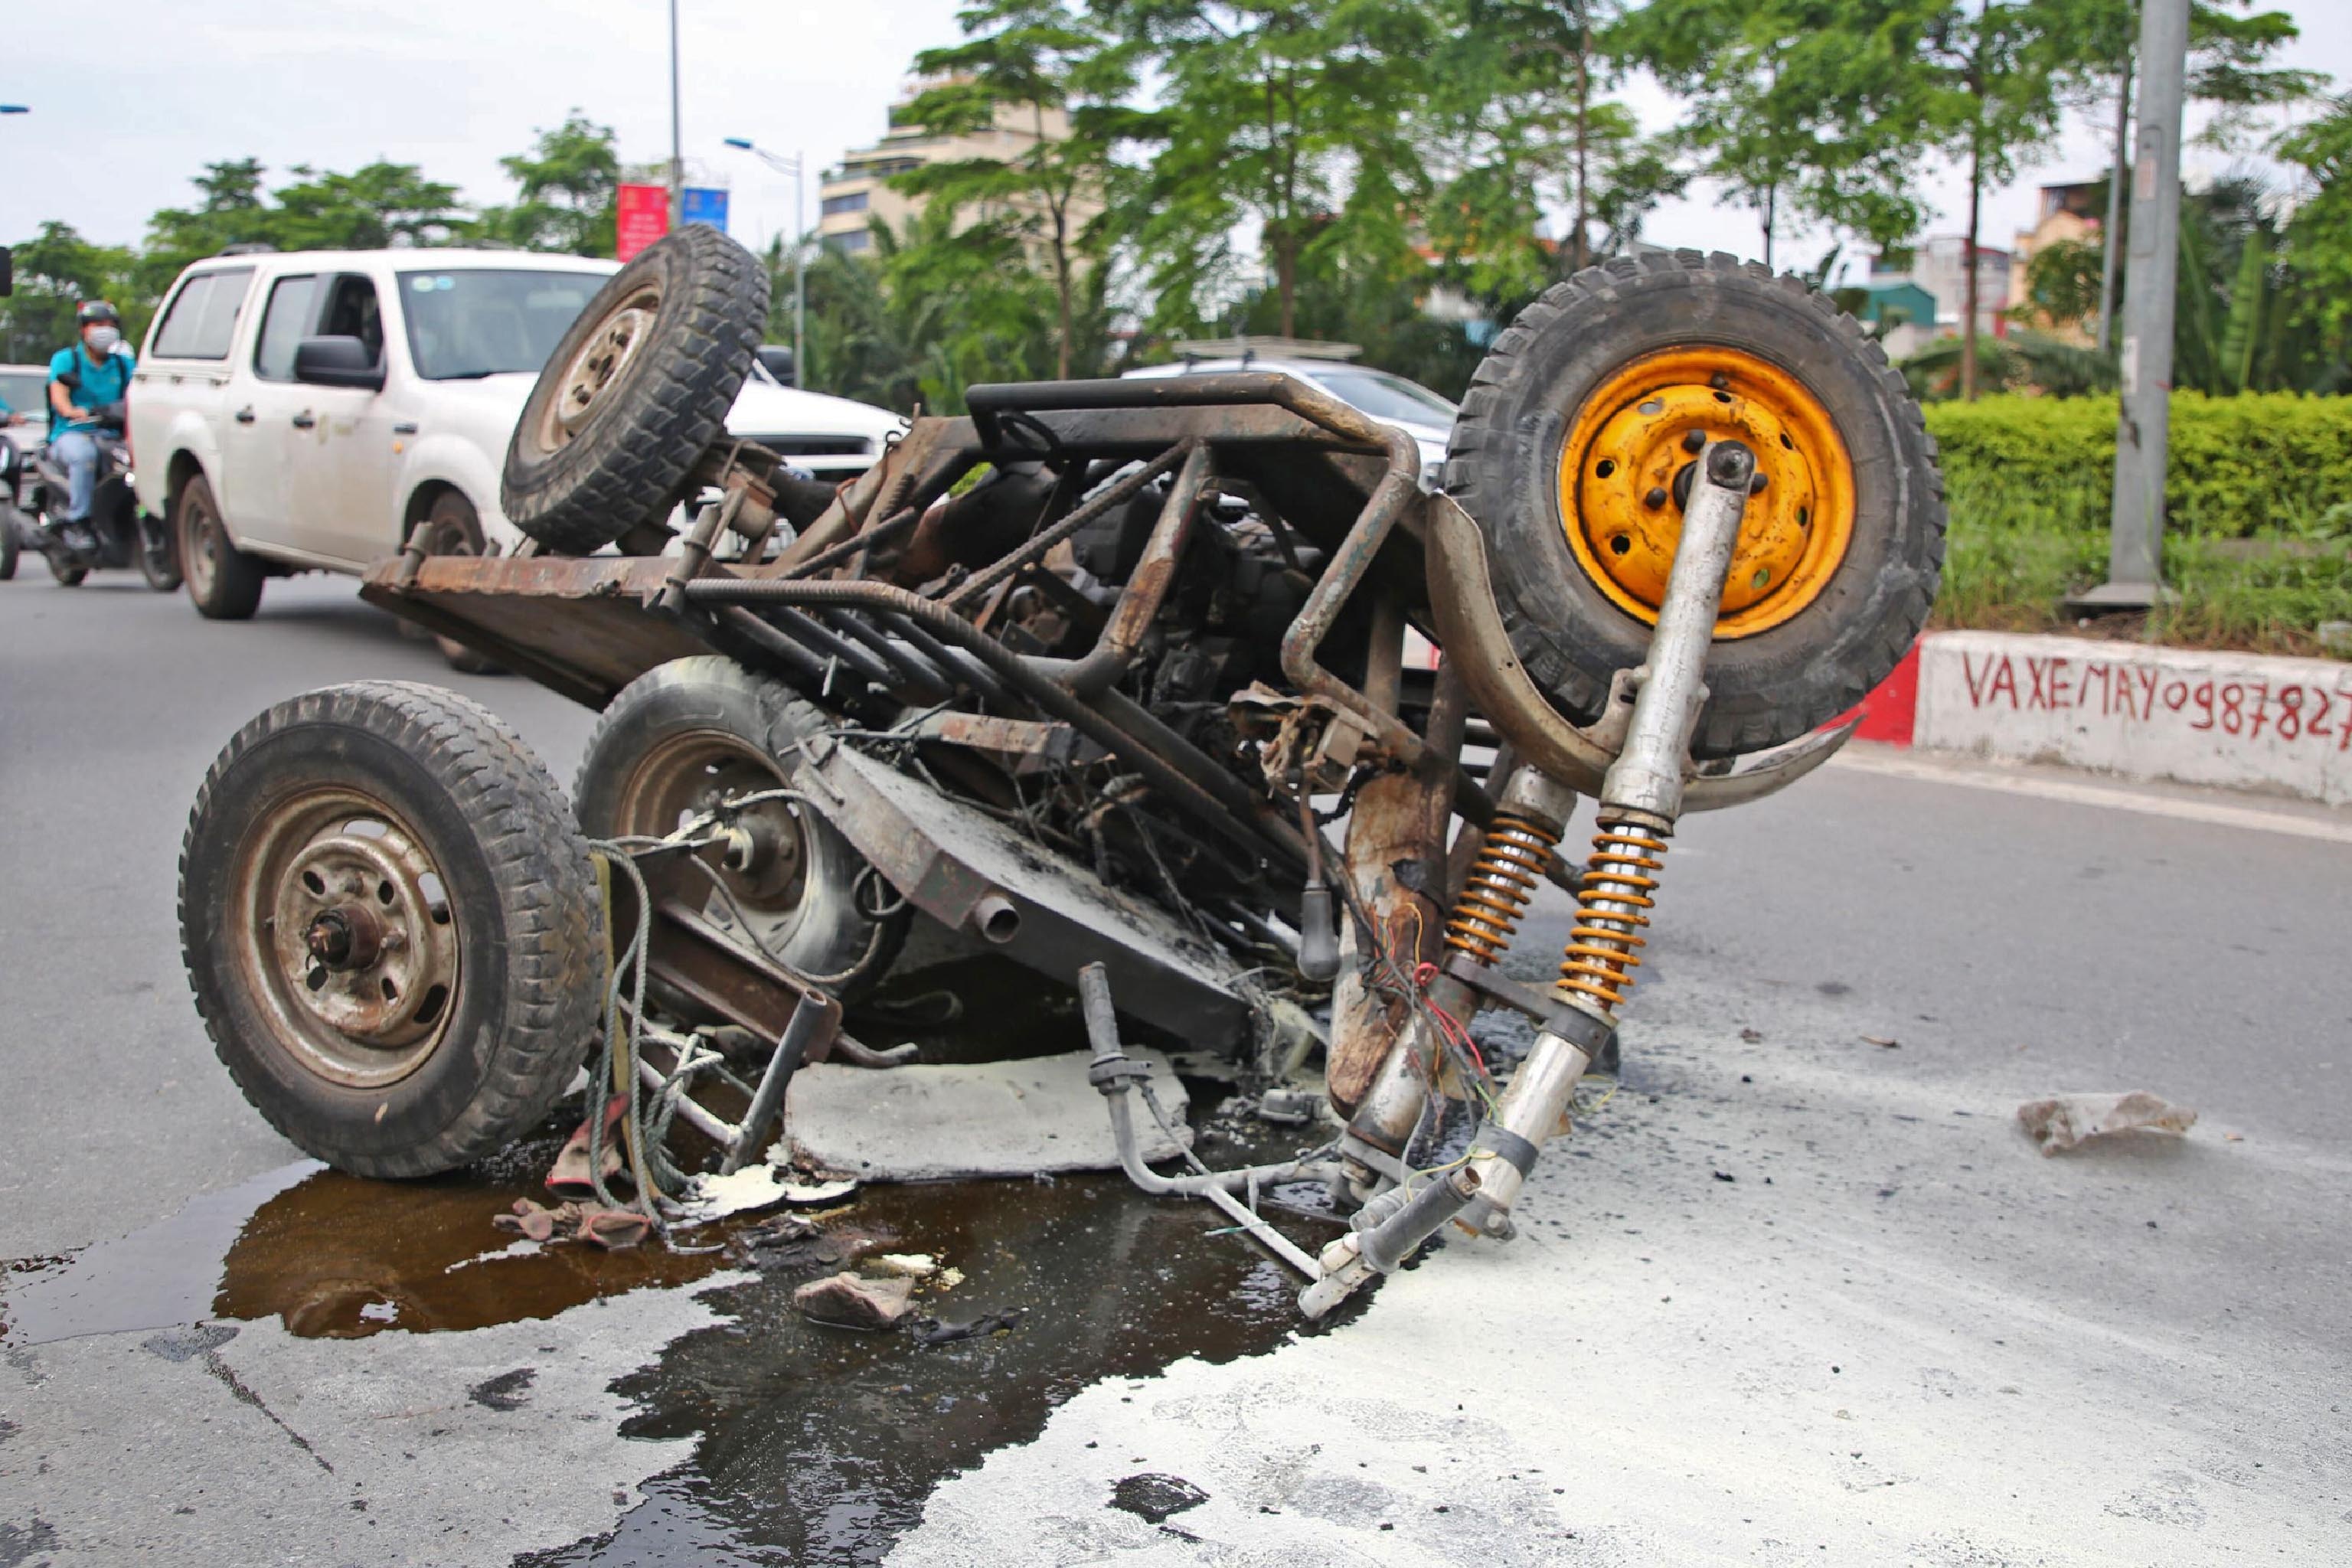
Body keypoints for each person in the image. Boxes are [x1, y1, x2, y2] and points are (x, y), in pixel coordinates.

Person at [47, 302, 136, 548]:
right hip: (73, 433)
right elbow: (59, 397)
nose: (105, 330)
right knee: (85, 457)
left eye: (110, 326)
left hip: (112, 434)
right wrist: (72, 411)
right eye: (98, 325)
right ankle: (79, 521)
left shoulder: (123, 364)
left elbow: (139, 394)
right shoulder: (66, 360)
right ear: (84, 330)